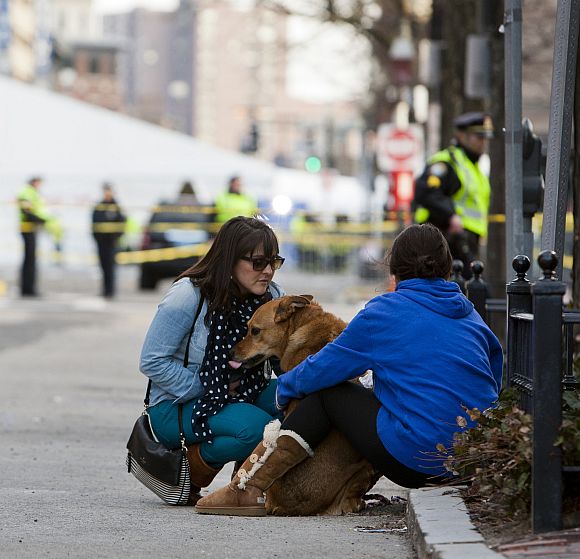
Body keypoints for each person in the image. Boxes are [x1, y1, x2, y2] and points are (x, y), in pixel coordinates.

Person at [195, 223, 503, 516]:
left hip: (418, 462)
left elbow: (325, 368)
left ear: (393, 271)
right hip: (470, 462)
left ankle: (248, 487)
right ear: (448, 268)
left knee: (329, 391)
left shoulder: (383, 313)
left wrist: (285, 388)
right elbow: (494, 375)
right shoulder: (472, 317)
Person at [139, 216, 286, 504]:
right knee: (258, 428)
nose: (268, 271)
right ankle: (192, 471)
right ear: (230, 260)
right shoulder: (189, 295)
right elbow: (151, 361)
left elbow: (283, 360)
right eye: (258, 263)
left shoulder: (272, 298)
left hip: (243, 392)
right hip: (177, 403)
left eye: (274, 262)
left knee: (295, 405)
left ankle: (245, 482)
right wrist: (208, 386)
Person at [412, 112, 494, 278]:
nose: (483, 142)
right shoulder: (446, 163)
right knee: (472, 289)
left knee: (472, 289)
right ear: (462, 136)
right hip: (447, 239)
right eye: (479, 137)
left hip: (468, 240)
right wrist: (450, 216)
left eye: (485, 137)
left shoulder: (475, 167)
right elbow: (426, 192)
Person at [16, 176, 61, 297]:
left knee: (31, 260)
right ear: (34, 182)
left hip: (32, 229)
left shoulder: (33, 193)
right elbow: (27, 212)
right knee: (29, 260)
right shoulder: (27, 192)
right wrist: (41, 220)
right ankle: (27, 289)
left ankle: (29, 288)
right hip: (28, 229)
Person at [91, 182, 127, 298]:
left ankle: (111, 291)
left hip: (112, 242)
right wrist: (97, 239)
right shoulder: (100, 206)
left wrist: (116, 237)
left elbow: (122, 223)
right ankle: (105, 290)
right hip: (101, 242)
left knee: (111, 267)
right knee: (103, 266)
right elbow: (94, 224)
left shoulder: (116, 206)